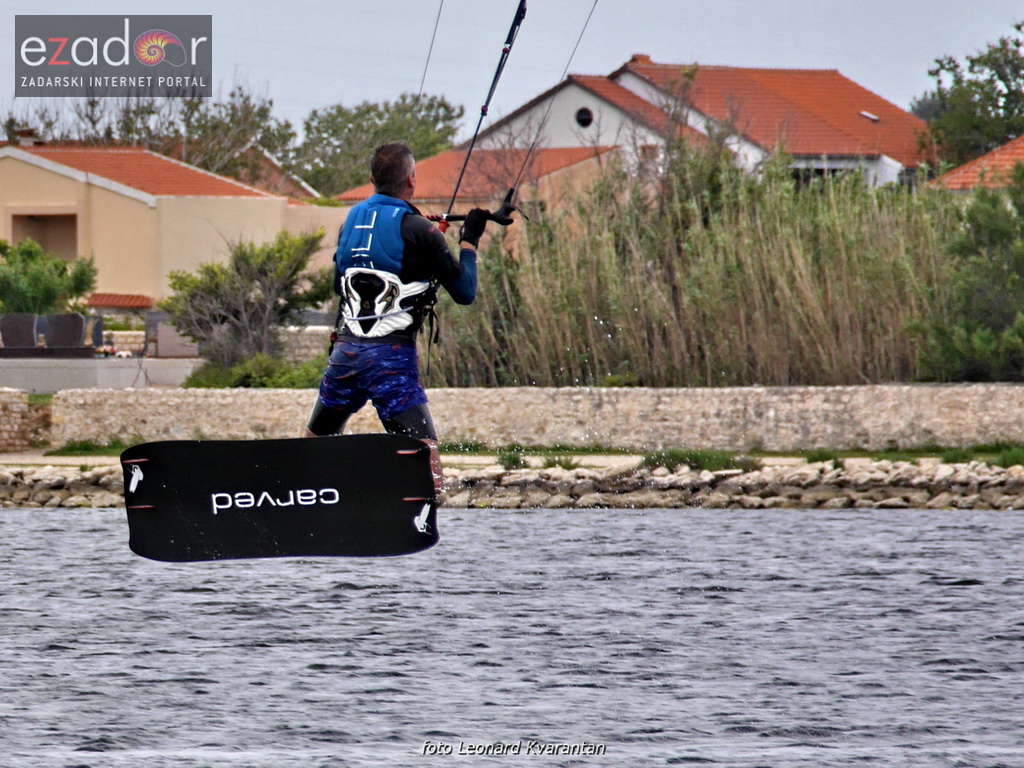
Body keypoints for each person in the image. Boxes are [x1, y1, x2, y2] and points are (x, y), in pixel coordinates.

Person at [305, 140, 498, 496]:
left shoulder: (351, 220)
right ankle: (422, 512)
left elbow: (340, 285)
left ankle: (302, 490)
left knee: (315, 441)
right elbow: (465, 292)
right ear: (410, 180)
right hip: (390, 361)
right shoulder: (420, 231)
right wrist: (469, 240)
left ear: (372, 178)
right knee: (427, 462)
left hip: (345, 355)